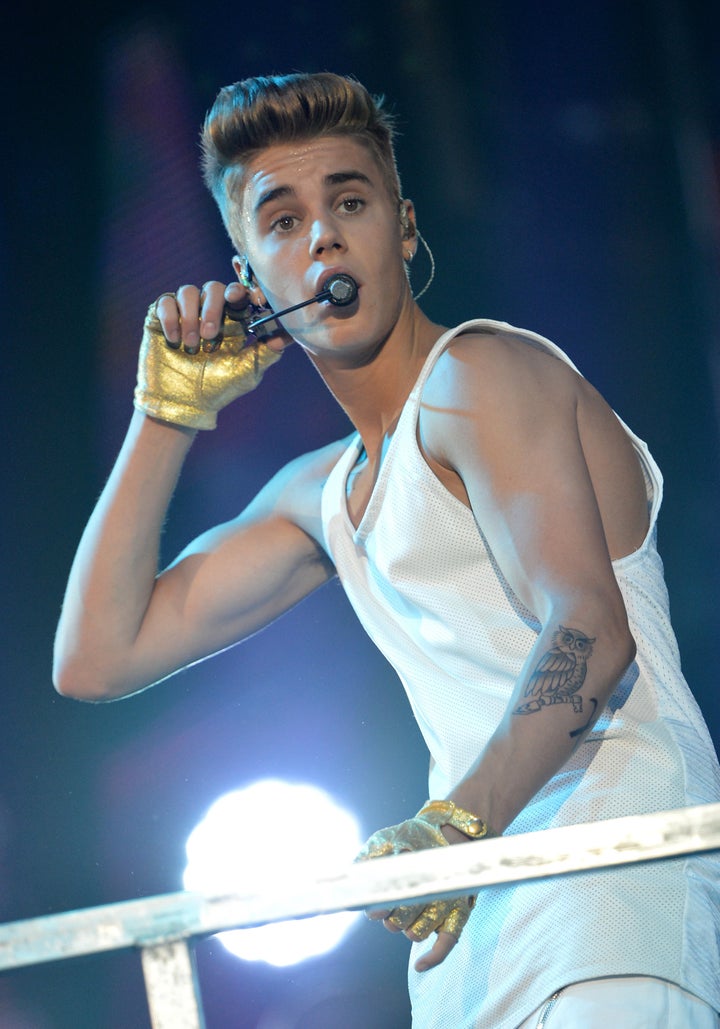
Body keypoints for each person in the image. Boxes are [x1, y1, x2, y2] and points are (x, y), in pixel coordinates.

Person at [53, 72, 720, 1028]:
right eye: (281, 221)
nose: (322, 235)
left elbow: (589, 627)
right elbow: (96, 657)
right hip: (477, 932)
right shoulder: (321, 494)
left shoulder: (481, 374)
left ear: (402, 228)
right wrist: (168, 412)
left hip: (608, 889)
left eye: (350, 201)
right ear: (249, 277)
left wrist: (454, 826)